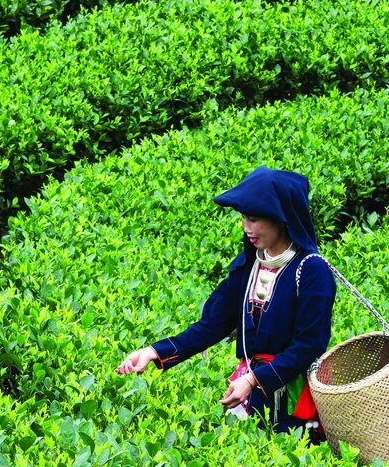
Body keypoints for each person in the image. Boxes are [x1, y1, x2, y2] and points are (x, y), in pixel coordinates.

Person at [116, 166, 337, 436]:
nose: (246, 228)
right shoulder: (249, 266)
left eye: (254, 219)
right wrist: (154, 352)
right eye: (243, 218)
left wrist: (254, 379)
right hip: (247, 392)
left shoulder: (312, 270)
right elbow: (211, 326)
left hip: (292, 402)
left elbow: (308, 345)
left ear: (283, 219)